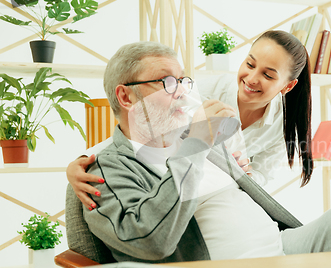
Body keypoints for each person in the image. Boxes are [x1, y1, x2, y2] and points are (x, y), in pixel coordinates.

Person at [68, 41, 331, 264]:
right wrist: (197, 142)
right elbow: (150, 242)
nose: (183, 93)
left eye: (183, 81)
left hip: (282, 250)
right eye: (166, 82)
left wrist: (202, 143)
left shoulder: (195, 138)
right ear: (126, 97)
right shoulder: (105, 170)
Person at [67, 30, 314, 210]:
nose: (251, 78)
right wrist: (82, 161)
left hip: (230, 200)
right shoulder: (199, 92)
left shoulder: (284, 124)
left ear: (288, 86)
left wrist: (239, 174)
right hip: (183, 191)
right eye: (249, 64)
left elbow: (258, 183)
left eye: (268, 75)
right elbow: (140, 132)